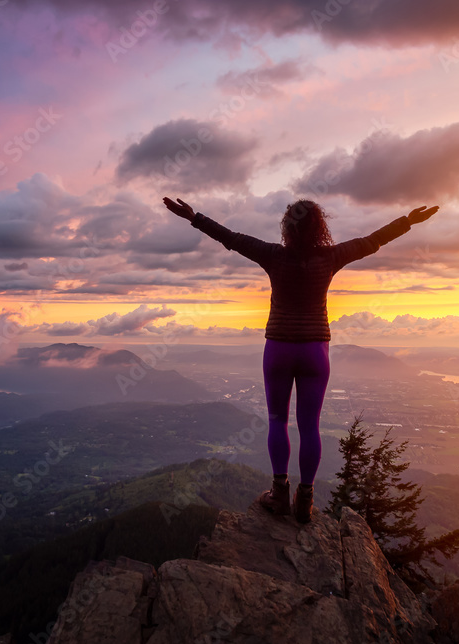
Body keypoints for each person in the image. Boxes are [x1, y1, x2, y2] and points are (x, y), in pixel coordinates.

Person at [163, 196, 439, 523]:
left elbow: (232, 238)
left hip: (278, 348)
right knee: (311, 427)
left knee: (278, 421)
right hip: (315, 351)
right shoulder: (331, 256)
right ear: (319, 226)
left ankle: (279, 495)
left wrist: (195, 217)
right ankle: (305, 502)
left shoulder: (273, 255)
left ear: (287, 227)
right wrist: (407, 220)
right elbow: (372, 241)